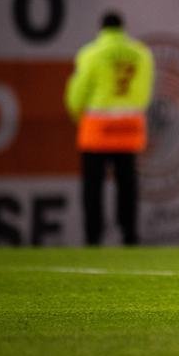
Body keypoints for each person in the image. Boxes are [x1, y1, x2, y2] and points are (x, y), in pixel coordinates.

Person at [64, 12, 155, 246]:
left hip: (98, 129)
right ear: (122, 28)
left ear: (102, 28)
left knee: (93, 187)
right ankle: (130, 235)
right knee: (128, 185)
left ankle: (93, 237)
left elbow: (77, 93)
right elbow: (145, 92)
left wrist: (78, 116)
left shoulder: (91, 53)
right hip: (129, 128)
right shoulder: (142, 54)